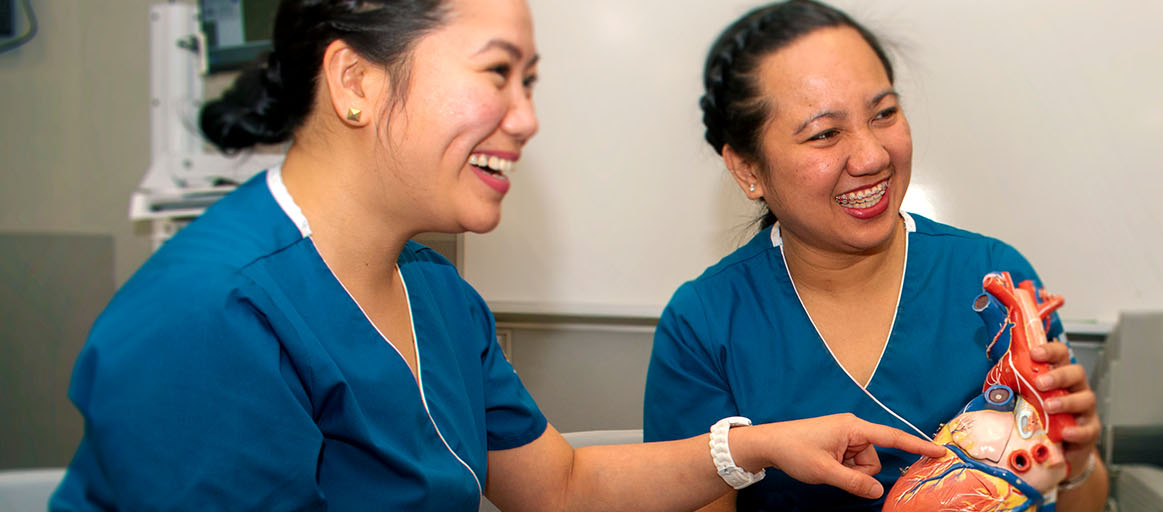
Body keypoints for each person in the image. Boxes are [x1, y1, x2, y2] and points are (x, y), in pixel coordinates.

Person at [52, 0, 942, 509]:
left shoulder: (435, 297)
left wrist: (761, 448)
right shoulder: (209, 317)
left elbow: (557, 486)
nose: (526, 118)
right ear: (356, 82)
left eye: (532, 82)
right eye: (496, 74)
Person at [643, 1, 1110, 510]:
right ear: (748, 168)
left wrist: (1077, 458)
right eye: (824, 133)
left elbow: (1070, 498)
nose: (872, 157)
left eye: (884, 113)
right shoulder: (705, 325)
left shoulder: (992, 282)